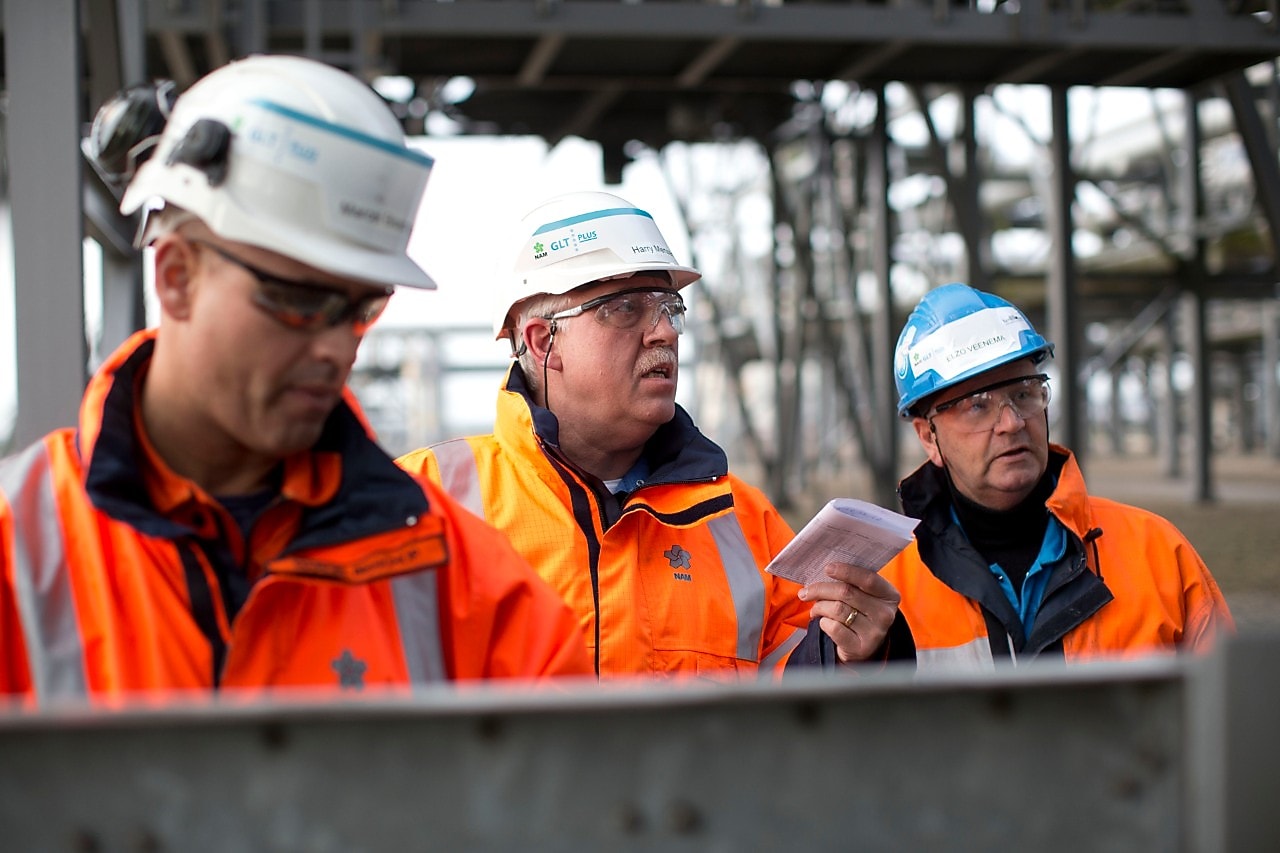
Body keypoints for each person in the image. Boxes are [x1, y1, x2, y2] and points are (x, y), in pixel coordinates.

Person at [0, 55, 592, 706]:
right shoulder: (16, 551)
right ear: (176, 277)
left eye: (361, 307)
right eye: (298, 299)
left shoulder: (463, 584)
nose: (338, 347)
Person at [398, 190, 910, 679]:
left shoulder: (741, 523)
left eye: (670, 309)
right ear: (542, 342)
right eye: (626, 309)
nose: (664, 331)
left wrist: (856, 655)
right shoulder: (424, 501)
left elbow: (796, 709)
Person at [884, 282, 1234, 670]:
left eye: (1023, 394)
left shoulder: (1158, 554)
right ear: (928, 437)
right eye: (977, 406)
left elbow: (1232, 698)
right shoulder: (886, 591)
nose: (1012, 423)